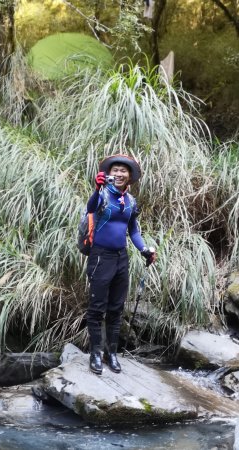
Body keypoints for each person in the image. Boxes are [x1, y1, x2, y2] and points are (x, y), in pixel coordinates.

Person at [85, 154, 156, 375]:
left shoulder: (131, 201)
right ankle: (95, 354)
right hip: (100, 257)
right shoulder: (102, 194)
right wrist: (96, 189)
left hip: (120, 258)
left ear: (129, 176)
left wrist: (144, 249)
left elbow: (133, 229)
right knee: (97, 309)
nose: (118, 173)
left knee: (116, 308)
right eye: (114, 169)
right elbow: (91, 208)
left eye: (123, 171)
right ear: (108, 173)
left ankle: (111, 353)